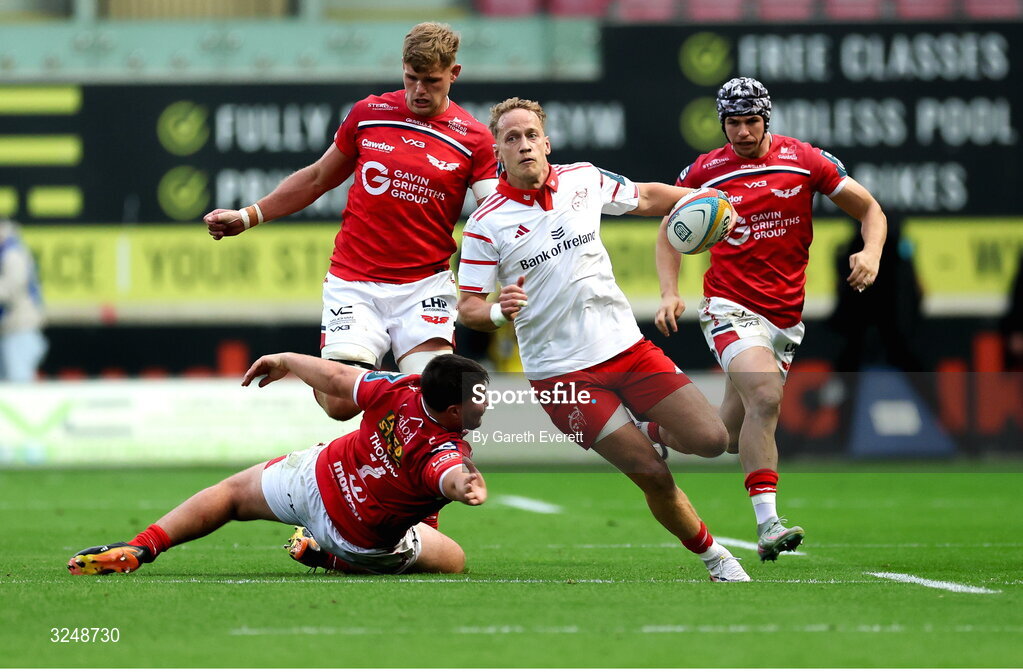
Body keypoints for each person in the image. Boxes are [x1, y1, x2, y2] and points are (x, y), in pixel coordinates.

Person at [456, 97, 750, 582]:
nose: (524, 144)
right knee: (654, 476)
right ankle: (716, 557)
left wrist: (709, 201)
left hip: (627, 350)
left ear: (546, 143)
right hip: (560, 375)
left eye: (531, 135)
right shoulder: (486, 223)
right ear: (498, 153)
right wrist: (495, 309)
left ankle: (648, 428)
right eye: (512, 138)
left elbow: (649, 198)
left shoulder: (583, 179)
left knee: (714, 440)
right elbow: (468, 308)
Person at [203, 22, 498, 422]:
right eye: (411, 78)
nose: (419, 91)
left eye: (431, 81)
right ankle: (319, 371)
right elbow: (318, 177)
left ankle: (435, 469)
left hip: (423, 287)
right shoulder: (369, 113)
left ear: (454, 74)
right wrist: (248, 215)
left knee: (438, 403)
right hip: (355, 281)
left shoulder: (474, 139)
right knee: (342, 405)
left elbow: (494, 214)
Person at [654, 77, 888, 561]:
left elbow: (870, 209)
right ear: (722, 123)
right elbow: (668, 230)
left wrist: (871, 251)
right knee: (765, 394)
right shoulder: (704, 171)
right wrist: (670, 293)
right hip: (729, 307)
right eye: (733, 123)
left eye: (751, 122)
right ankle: (768, 525)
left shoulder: (805, 161)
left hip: (784, 318)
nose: (742, 132)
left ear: (767, 119)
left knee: (720, 437)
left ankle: (651, 429)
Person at [67, 352, 490, 576]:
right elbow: (447, 472)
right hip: (358, 538)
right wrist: (464, 487)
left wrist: (287, 360)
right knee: (452, 559)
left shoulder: (402, 386)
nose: (486, 403)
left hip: (314, 477)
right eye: (479, 397)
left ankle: (143, 545)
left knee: (229, 496)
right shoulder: (445, 448)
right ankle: (332, 558)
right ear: (452, 411)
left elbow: (339, 379)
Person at [0, 219, 47, 381]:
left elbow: (12, 288)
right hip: (10, 330)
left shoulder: (11, 253)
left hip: (20, 330)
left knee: (19, 386)